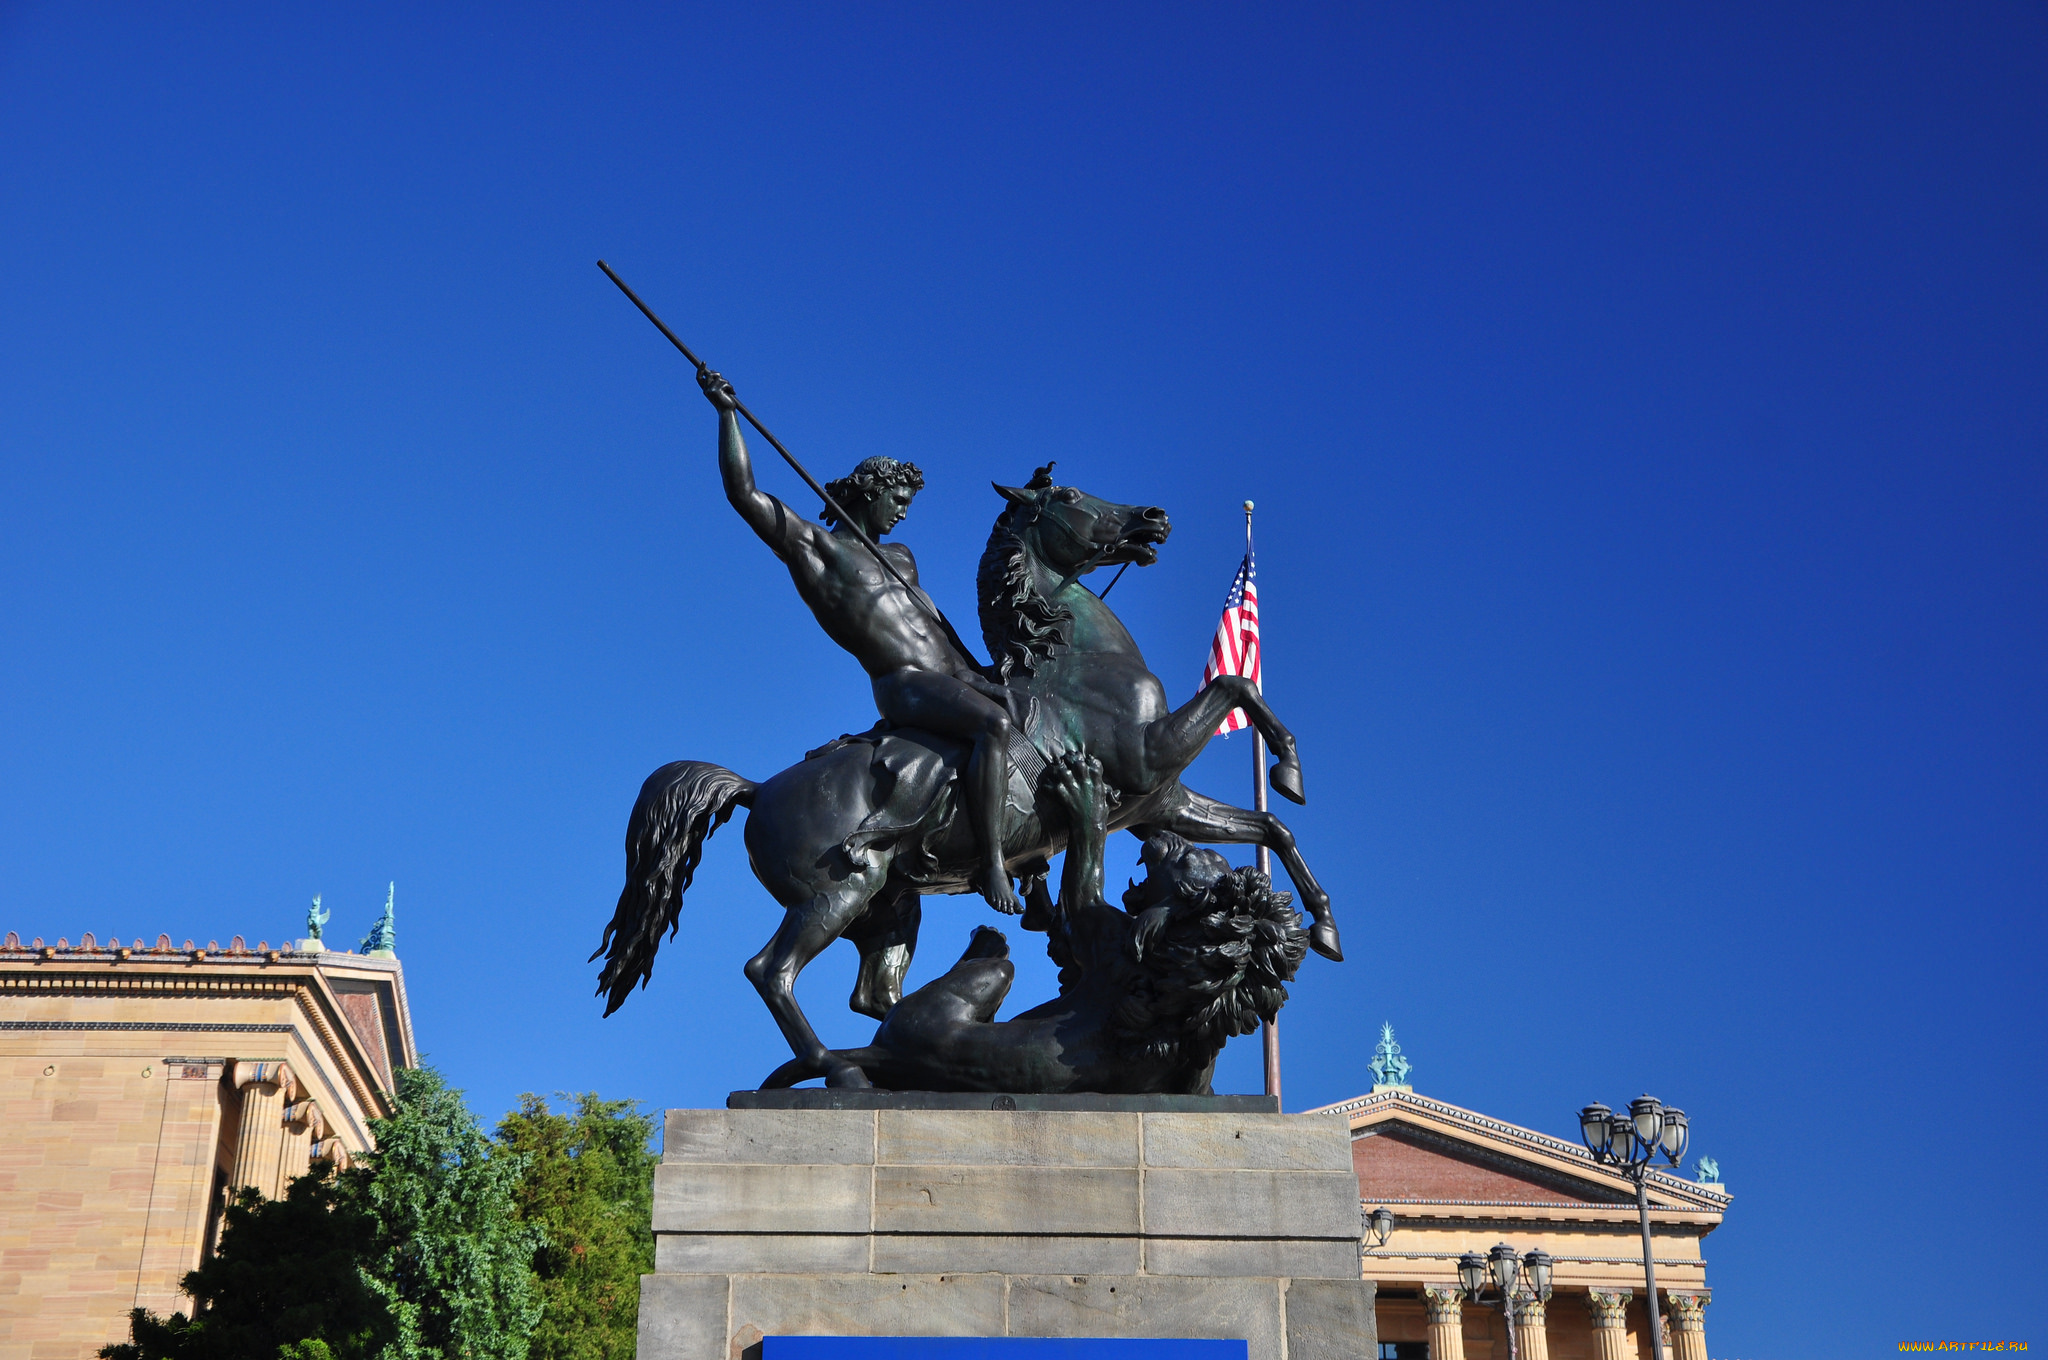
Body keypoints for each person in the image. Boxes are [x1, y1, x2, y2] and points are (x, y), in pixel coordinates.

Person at [697, 368, 1022, 914]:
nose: (901, 512)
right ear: (868, 493)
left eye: (906, 505)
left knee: (1025, 710)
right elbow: (744, 494)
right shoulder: (816, 551)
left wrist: (977, 670)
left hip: (951, 675)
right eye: (896, 499)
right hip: (905, 684)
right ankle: (993, 861)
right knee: (994, 725)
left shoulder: (902, 558)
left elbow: (935, 625)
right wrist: (728, 413)